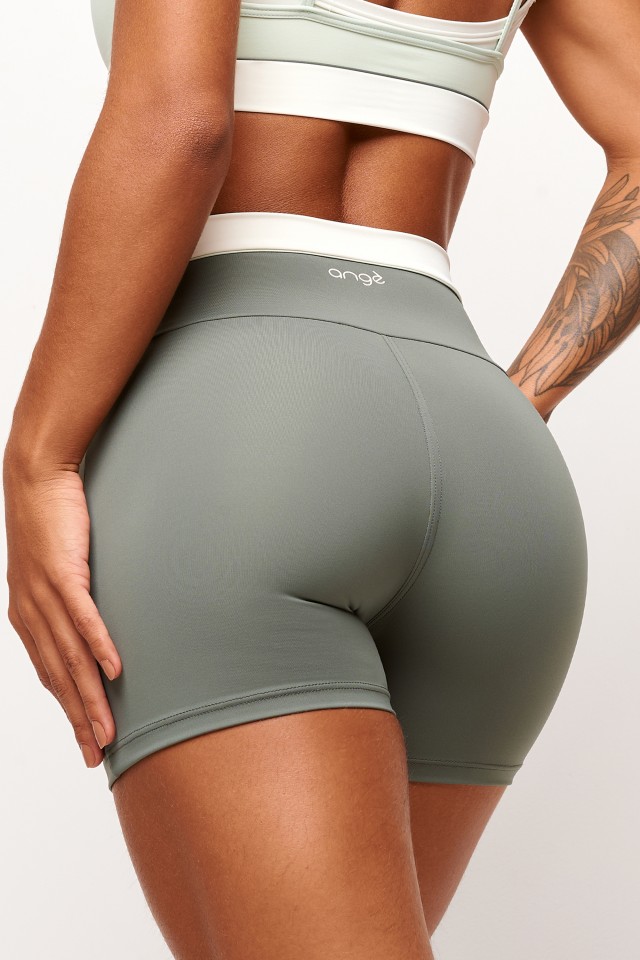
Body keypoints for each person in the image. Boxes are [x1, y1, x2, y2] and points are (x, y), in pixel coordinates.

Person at [3, 1, 638, 957]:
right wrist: (524, 398)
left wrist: (37, 458)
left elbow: (181, 121)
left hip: (244, 432)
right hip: (489, 454)